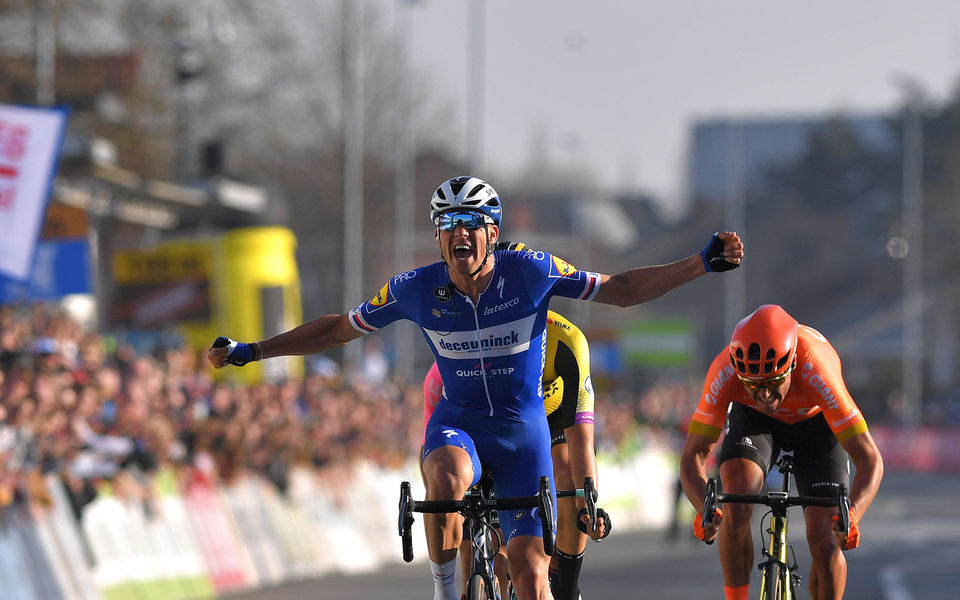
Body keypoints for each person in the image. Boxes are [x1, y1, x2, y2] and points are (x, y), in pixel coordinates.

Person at [208, 175, 744, 600]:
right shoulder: (414, 288)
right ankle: (446, 593)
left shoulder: (532, 271)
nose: (460, 233)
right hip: (458, 423)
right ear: (438, 237)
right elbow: (337, 329)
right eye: (448, 224)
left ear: (492, 231)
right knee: (443, 478)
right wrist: (254, 351)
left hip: (523, 435)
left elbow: (621, 290)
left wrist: (700, 263)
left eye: (472, 222)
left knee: (534, 582)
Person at [679, 304, 883, 600]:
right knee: (735, 501)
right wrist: (704, 509)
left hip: (817, 425)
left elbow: (870, 458)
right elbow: (693, 455)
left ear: (792, 365)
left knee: (826, 541)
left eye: (772, 383)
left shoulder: (816, 367)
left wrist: (853, 514)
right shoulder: (724, 370)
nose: (764, 395)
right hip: (754, 422)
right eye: (753, 385)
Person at [423, 306, 609, 600]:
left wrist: (589, 503)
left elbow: (581, 442)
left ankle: (567, 585)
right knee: (479, 541)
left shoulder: (568, 340)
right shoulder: (449, 366)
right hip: (486, 423)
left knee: (565, 470)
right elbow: (434, 464)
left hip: (552, 416)